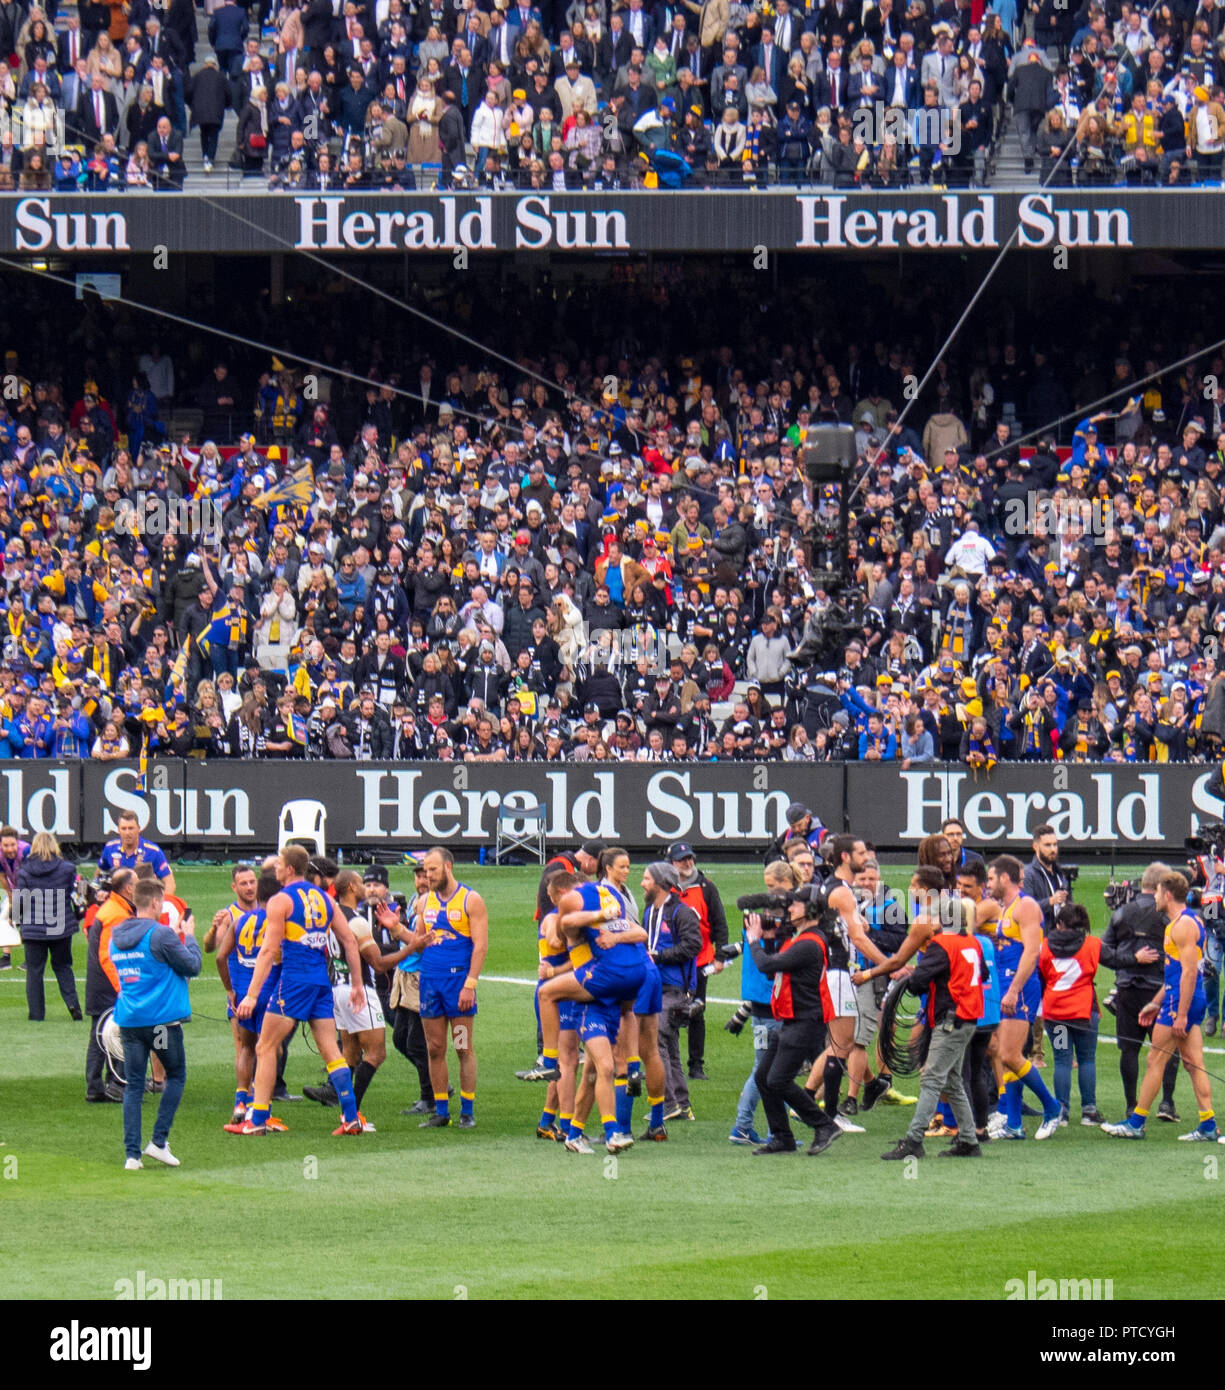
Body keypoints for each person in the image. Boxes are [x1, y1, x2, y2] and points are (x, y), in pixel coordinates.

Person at [229, 845, 367, 1137]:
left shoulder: (280, 901)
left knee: (265, 1047)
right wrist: (357, 985)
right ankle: (351, 1116)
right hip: (320, 982)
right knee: (330, 1049)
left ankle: (258, 1119)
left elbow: (268, 951)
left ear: (289, 869)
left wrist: (252, 995)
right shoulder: (324, 899)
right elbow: (350, 942)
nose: (275, 869)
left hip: (294, 981)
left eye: (279, 864)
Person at [1103, 872, 1218, 1143]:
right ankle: (1208, 1124)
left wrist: (1179, 1013)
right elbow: (1175, 973)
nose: (1153, 897)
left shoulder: (1183, 927)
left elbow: (1190, 974)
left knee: (1155, 1059)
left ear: (1167, 895)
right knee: (1193, 1063)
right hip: (1179, 998)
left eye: (1156, 893)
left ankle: (1136, 1122)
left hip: (1182, 1001)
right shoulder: (1181, 924)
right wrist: (1156, 1002)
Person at [880, 866, 985, 1161]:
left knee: (931, 1079)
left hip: (950, 1020)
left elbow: (916, 984)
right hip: (968, 1018)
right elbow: (980, 973)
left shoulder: (941, 944)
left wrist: (913, 974)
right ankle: (968, 1139)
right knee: (951, 1080)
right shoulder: (971, 943)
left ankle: (914, 1140)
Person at [743, 883, 843, 1157]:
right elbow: (773, 971)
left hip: (804, 1021)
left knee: (777, 1080)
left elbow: (765, 965)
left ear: (810, 909)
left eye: (795, 904)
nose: (789, 908)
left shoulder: (809, 942)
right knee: (764, 1077)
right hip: (793, 1020)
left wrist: (754, 939)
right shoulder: (802, 938)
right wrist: (767, 939)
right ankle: (782, 1136)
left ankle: (823, 1125)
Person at [111, 877, 202, 1170]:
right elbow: (192, 965)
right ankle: (159, 1142)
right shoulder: (161, 935)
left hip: (130, 1021)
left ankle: (131, 1155)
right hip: (161, 1024)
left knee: (134, 1087)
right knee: (175, 1076)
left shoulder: (116, 936)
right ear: (154, 902)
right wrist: (188, 936)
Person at [404, 846, 488, 1129]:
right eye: (425, 870)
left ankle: (467, 1110)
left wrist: (470, 985)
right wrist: (396, 928)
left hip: (458, 987)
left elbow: (481, 946)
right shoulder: (423, 902)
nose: (427, 876)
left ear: (448, 867)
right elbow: (418, 942)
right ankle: (441, 1111)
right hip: (430, 984)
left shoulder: (470, 900)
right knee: (435, 1047)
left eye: (433, 870)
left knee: (462, 1047)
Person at [985, 855, 1063, 1140]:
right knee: (1004, 1054)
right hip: (1007, 986)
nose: (988, 884)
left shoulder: (1026, 906)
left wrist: (1015, 989)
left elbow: (1032, 952)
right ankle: (1014, 1125)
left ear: (1005, 878)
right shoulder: (1006, 909)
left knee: (1009, 1054)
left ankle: (1052, 1108)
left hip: (1021, 988)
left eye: (991, 878)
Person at [1100, 861, 1181, 1121]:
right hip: (1159, 990)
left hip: (1127, 989)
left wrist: (1129, 960)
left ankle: (1130, 1104)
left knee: (1129, 1048)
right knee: (1168, 1049)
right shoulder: (1169, 914)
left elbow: (1104, 952)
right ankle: (1166, 1102)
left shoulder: (1122, 913)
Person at [215, 869, 283, 1128]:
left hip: (243, 994)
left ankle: (240, 1100)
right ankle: (259, 1104)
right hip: (269, 993)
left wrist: (231, 990)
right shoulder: (280, 921)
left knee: (246, 1047)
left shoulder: (241, 920)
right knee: (271, 1049)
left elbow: (221, 957)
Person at [642, 859, 701, 1126]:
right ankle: (682, 1105)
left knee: (656, 1041)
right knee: (671, 1048)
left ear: (661, 884)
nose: (642, 883)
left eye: (646, 879)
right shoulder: (648, 911)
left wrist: (660, 957)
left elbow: (693, 946)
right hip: (653, 985)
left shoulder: (681, 913)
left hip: (673, 987)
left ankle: (668, 1103)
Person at [1037, 903, 1104, 1126]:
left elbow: (1041, 975)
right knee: (1086, 1059)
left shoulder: (1045, 946)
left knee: (1062, 1060)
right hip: (1083, 1011)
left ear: (1059, 924)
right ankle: (1089, 1111)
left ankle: (1062, 1111)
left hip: (1056, 1011)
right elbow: (1117, 959)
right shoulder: (1092, 944)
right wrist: (1137, 957)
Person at [667, 840, 728, 1082]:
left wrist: (721, 955)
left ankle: (696, 1064)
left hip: (700, 960)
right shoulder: (665, 886)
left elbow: (719, 922)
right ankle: (672, 1062)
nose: (688, 863)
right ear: (672, 863)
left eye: (690, 858)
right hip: (671, 959)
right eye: (682, 860)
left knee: (697, 1011)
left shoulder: (706, 887)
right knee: (669, 1011)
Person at [16, 832, 82, 1023]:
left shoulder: (24, 871)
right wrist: (77, 917)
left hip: (33, 928)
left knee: (34, 971)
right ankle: (73, 1005)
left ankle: (36, 1014)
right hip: (60, 926)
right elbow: (77, 896)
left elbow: (21, 903)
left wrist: (19, 924)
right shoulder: (68, 868)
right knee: (63, 967)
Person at [84, 867, 135, 1102]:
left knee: (102, 1034)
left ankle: (100, 1085)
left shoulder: (114, 909)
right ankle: (110, 1085)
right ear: (128, 888)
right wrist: (122, 988)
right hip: (108, 986)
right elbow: (108, 956)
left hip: (100, 984)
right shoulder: (117, 914)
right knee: (107, 1034)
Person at [97, 810, 177, 897]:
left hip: (143, 903)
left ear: (139, 829)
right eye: (124, 828)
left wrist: (161, 905)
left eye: (131, 828)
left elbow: (170, 883)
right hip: (117, 903)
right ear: (118, 830)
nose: (127, 833)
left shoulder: (153, 851)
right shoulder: (110, 848)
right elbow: (99, 873)